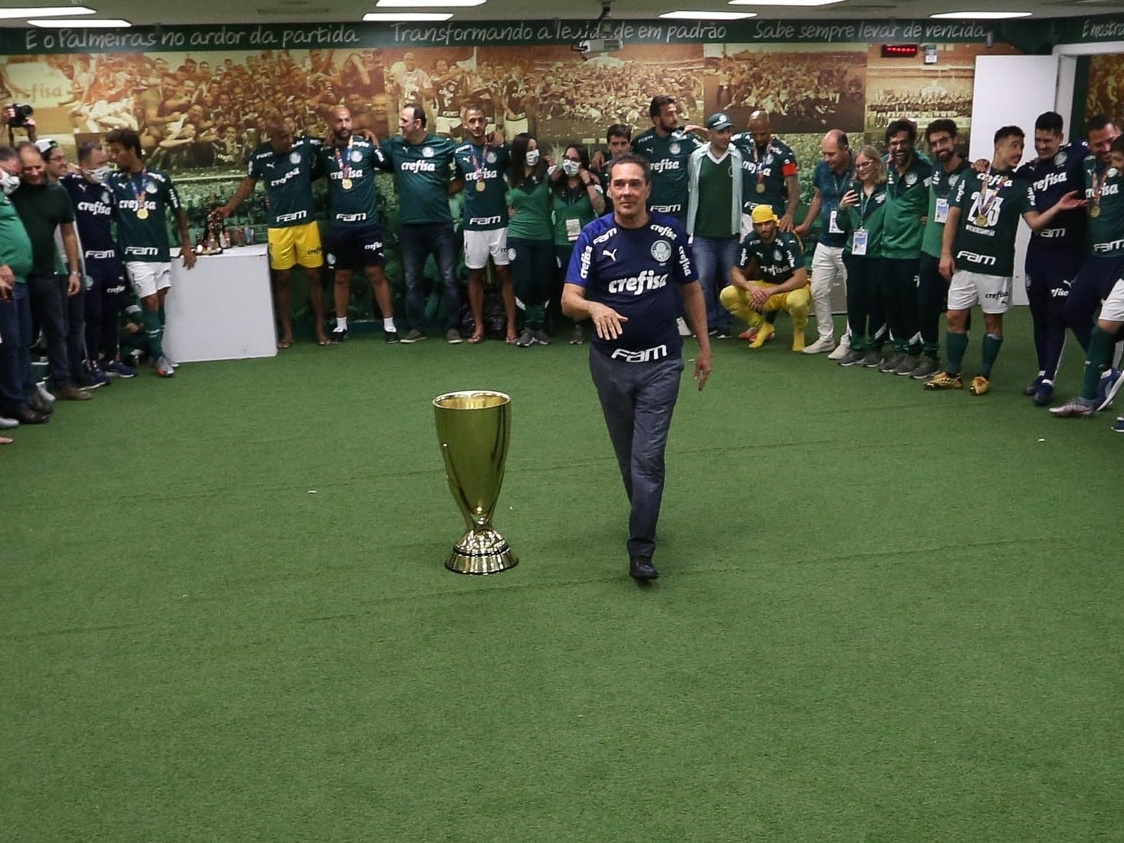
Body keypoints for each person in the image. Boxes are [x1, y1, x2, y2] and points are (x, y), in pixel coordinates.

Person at [561, 152, 712, 582]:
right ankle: (644, 513)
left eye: (635, 184)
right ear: (609, 189)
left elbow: (692, 291)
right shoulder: (592, 237)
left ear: (648, 189)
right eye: (619, 184)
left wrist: (703, 348)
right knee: (629, 459)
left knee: (648, 459)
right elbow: (568, 300)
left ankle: (641, 549)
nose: (627, 191)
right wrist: (593, 307)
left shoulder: (670, 234)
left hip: (662, 365)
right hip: (609, 366)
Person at [925, 125, 1083, 396]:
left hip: (996, 268)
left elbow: (1033, 223)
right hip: (964, 263)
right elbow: (953, 215)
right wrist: (946, 253)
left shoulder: (1022, 185)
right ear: (998, 146)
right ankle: (952, 373)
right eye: (1014, 146)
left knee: (992, 323)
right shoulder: (971, 176)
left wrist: (1057, 207)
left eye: (1022, 147)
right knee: (953, 317)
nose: (1019, 152)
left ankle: (984, 375)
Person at [218, 118, 330, 347]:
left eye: (292, 135)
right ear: (272, 137)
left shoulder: (305, 144)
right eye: (284, 137)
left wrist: (364, 131)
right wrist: (229, 207)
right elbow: (248, 185)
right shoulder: (259, 156)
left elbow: (332, 139)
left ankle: (320, 328)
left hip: (306, 224)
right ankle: (287, 333)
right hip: (279, 227)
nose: (290, 140)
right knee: (282, 279)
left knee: (314, 276)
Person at [104, 127, 196, 378]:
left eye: (117, 151)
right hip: (134, 254)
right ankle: (158, 356)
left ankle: (153, 349)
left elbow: (179, 212)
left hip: (160, 252)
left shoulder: (160, 178)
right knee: (149, 301)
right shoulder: (112, 181)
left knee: (160, 301)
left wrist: (187, 245)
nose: (114, 156)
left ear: (132, 150)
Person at [1014, 111, 1088, 405]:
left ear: (1060, 137)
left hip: (1066, 252)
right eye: (1037, 140)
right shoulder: (1029, 171)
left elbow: (1103, 150)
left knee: (1058, 315)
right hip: (1037, 252)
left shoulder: (1078, 156)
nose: (1041, 146)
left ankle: (1048, 380)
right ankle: (1042, 370)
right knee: (1038, 316)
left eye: (1047, 140)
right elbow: (1002, 176)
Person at [1052, 134, 1124, 422]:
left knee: (1105, 327)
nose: (1113, 162)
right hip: (1096, 258)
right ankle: (1091, 391)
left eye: (1118, 157)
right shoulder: (1087, 162)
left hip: (1118, 260)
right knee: (1093, 323)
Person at [10, 142, 88, 401]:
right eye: (27, 168)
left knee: (57, 329)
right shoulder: (10, 193)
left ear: (44, 165)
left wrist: (74, 271)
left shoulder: (58, 193)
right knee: (20, 335)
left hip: (49, 273)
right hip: (17, 276)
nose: (32, 172)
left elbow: (68, 233)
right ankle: (28, 388)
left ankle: (62, 383)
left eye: (37, 166)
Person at [378, 103, 462, 344]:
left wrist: (451, 187)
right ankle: (416, 328)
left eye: (405, 120)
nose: (400, 124)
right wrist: (367, 135)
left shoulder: (442, 146)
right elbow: (371, 149)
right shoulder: (395, 145)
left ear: (418, 123)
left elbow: (466, 164)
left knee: (448, 277)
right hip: (411, 228)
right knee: (412, 280)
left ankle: (453, 328)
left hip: (440, 226)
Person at [317, 107, 397, 344]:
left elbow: (390, 164)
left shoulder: (366, 147)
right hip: (340, 226)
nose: (343, 125)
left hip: (367, 224)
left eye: (347, 120)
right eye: (339, 121)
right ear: (331, 124)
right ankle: (341, 327)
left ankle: (390, 326)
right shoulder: (325, 153)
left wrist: (373, 138)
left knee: (376, 274)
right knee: (342, 276)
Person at [60, 140, 136, 381]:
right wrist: (71, 170)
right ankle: (91, 361)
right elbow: (54, 172)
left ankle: (112, 359)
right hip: (87, 261)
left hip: (110, 258)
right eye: (100, 163)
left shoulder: (108, 189)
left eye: (106, 163)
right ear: (84, 164)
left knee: (111, 312)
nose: (105, 167)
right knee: (92, 313)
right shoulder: (71, 184)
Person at [452, 104, 517, 344]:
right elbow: (455, 183)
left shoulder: (499, 151)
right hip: (473, 225)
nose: (477, 125)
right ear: (466, 124)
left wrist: (516, 207)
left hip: (499, 223)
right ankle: (478, 326)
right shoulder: (459, 153)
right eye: (472, 121)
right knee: (475, 274)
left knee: (504, 273)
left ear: (486, 122)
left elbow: (519, 176)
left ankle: (511, 326)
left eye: (480, 120)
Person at [911, 119, 970, 378]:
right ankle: (930, 354)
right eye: (934, 143)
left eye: (943, 141)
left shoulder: (973, 173)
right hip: (931, 248)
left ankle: (957, 360)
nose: (938, 147)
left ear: (955, 140)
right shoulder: (932, 167)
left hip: (960, 254)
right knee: (925, 305)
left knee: (959, 310)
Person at [878, 119, 933, 374]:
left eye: (902, 142)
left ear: (912, 142)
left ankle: (916, 352)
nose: (898, 147)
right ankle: (900, 350)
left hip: (912, 250)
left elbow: (940, 199)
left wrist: (928, 217)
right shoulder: (886, 165)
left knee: (911, 305)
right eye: (893, 143)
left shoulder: (926, 170)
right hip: (887, 248)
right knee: (892, 303)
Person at [0, 145, 50, 426]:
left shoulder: (5, 196)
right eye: (10, 172)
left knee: (19, 343)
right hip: (4, 283)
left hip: (19, 280)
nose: (15, 178)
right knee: (9, 345)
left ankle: (23, 396)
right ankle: (13, 403)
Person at [720, 204, 811, 351]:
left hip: (792, 288)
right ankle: (763, 326)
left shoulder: (788, 240)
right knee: (727, 295)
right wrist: (753, 288)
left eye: (767, 223)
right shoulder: (750, 241)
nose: (764, 228)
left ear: (774, 223)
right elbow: (736, 273)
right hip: (767, 287)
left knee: (797, 302)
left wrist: (771, 291)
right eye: (759, 225)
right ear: (754, 226)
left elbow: (800, 278)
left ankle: (799, 330)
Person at [686, 112, 743, 339]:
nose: (726, 136)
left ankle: (726, 324)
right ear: (710, 134)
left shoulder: (737, 156)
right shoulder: (697, 157)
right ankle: (707, 323)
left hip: (730, 233)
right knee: (703, 282)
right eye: (721, 132)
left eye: (728, 131)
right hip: (702, 233)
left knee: (730, 282)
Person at [795, 129, 852, 354]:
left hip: (849, 243)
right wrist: (807, 224)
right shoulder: (821, 169)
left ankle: (849, 340)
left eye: (832, 154)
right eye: (824, 154)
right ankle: (826, 337)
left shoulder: (858, 168)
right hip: (825, 241)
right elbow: (818, 197)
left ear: (845, 150)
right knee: (818, 290)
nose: (827, 159)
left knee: (851, 294)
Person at [835, 146, 888, 366]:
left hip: (877, 255)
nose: (861, 169)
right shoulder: (852, 190)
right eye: (857, 165)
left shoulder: (887, 190)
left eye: (866, 164)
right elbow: (840, 225)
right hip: (854, 255)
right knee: (855, 301)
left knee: (876, 301)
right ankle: (856, 345)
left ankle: (874, 347)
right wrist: (842, 209)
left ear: (877, 163)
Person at [550, 142, 604, 345]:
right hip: (562, 242)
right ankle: (577, 326)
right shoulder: (556, 184)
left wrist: (587, 181)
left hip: (587, 244)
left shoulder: (591, 182)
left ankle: (596, 324)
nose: (569, 163)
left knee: (592, 283)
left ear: (582, 163)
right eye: (567, 158)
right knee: (571, 285)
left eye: (574, 159)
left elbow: (599, 207)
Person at [507, 132, 554, 347]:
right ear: (519, 153)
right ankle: (528, 327)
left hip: (543, 235)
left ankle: (540, 326)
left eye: (535, 148)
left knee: (542, 281)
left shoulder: (546, 174)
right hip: (518, 236)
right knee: (524, 281)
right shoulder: (509, 176)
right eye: (528, 149)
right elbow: (502, 201)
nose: (533, 153)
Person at [631, 95, 702, 222]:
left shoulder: (687, 139)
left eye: (675, 113)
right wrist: (601, 154)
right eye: (669, 114)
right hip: (649, 216)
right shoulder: (641, 143)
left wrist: (703, 131)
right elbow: (621, 156)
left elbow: (715, 149)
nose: (675, 118)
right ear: (656, 119)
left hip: (681, 216)